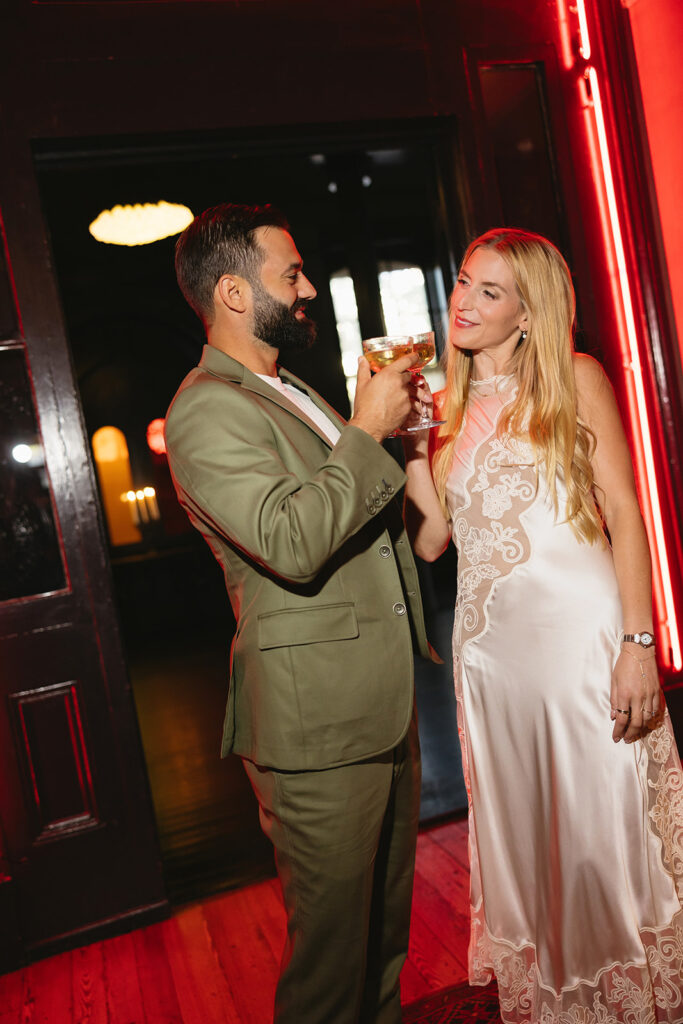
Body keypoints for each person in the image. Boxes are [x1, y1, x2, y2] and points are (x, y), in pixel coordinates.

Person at [402, 227, 683, 1023]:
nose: (463, 300)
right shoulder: (443, 407)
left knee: (600, 826)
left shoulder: (571, 378)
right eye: (462, 280)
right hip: (491, 661)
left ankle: (634, 995)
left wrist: (638, 645)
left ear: (527, 315)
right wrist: (412, 447)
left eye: (489, 291)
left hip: (577, 641)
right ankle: (565, 1001)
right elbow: (432, 540)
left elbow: (626, 515)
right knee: (533, 836)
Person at [164, 202, 434, 1024]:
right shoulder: (204, 411)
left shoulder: (289, 388)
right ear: (235, 294)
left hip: (372, 707)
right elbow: (290, 539)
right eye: (291, 274)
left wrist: (401, 436)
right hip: (316, 735)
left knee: (382, 944)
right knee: (328, 966)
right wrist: (366, 428)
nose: (307, 286)